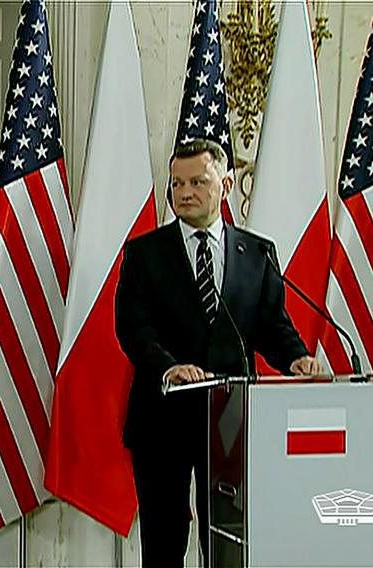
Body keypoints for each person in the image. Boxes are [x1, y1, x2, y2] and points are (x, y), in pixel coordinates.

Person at [115, 139, 322, 567]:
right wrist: (170, 368)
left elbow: (271, 325)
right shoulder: (144, 254)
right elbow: (132, 328)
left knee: (228, 544)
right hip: (162, 421)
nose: (184, 192)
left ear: (226, 184)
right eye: (176, 184)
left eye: (197, 181)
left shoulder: (256, 253)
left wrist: (297, 358)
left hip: (231, 423)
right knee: (165, 540)